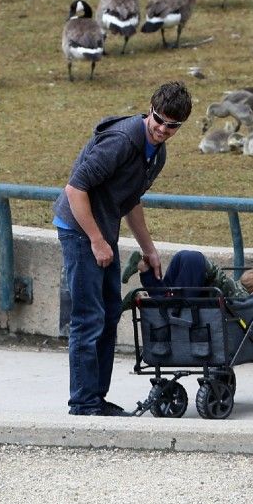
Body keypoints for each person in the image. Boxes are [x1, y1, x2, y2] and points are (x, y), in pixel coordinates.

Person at [53, 81, 193, 416]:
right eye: (158, 119)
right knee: (88, 318)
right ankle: (83, 403)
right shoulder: (121, 141)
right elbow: (75, 190)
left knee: (110, 312)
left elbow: (131, 202)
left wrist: (150, 249)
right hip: (79, 230)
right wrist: (97, 241)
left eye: (172, 125)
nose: (162, 129)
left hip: (102, 232)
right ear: (150, 108)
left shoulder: (156, 154)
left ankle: (96, 397)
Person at [121, 250, 253, 307]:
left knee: (166, 290)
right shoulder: (240, 296)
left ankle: (142, 265)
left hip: (185, 256)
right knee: (178, 303)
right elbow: (251, 301)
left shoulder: (233, 285)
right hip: (195, 264)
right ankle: (142, 300)